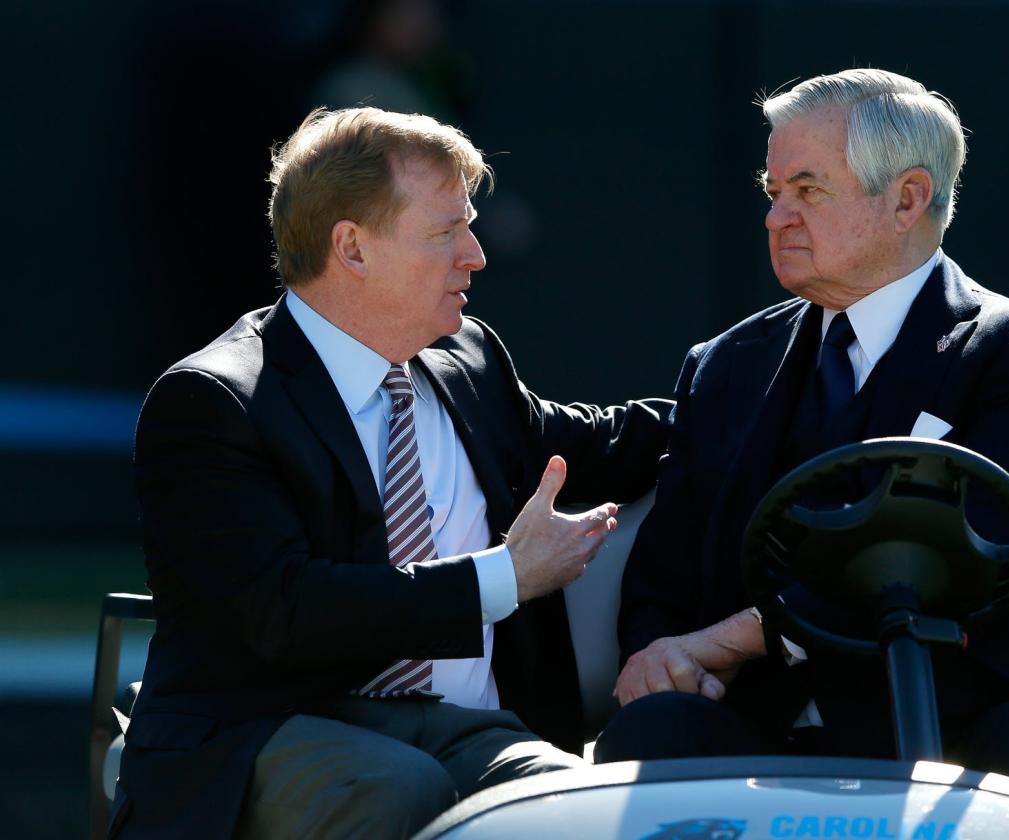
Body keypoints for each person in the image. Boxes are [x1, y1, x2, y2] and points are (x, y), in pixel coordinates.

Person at [595, 69, 1009, 839]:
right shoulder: (725, 365)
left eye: (806, 189)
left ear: (906, 199)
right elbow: (664, 580)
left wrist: (733, 638)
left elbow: (990, 562)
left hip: (968, 713)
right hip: (762, 723)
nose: (773, 215)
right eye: (771, 188)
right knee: (650, 734)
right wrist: (658, 657)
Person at [111, 107, 671, 839]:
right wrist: (504, 577)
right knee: (396, 787)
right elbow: (284, 611)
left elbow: (609, 442)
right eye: (445, 232)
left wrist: (763, 388)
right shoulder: (215, 402)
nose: (475, 254)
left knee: (572, 809)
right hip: (268, 729)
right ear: (352, 247)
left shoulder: (468, 362)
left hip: (466, 731)